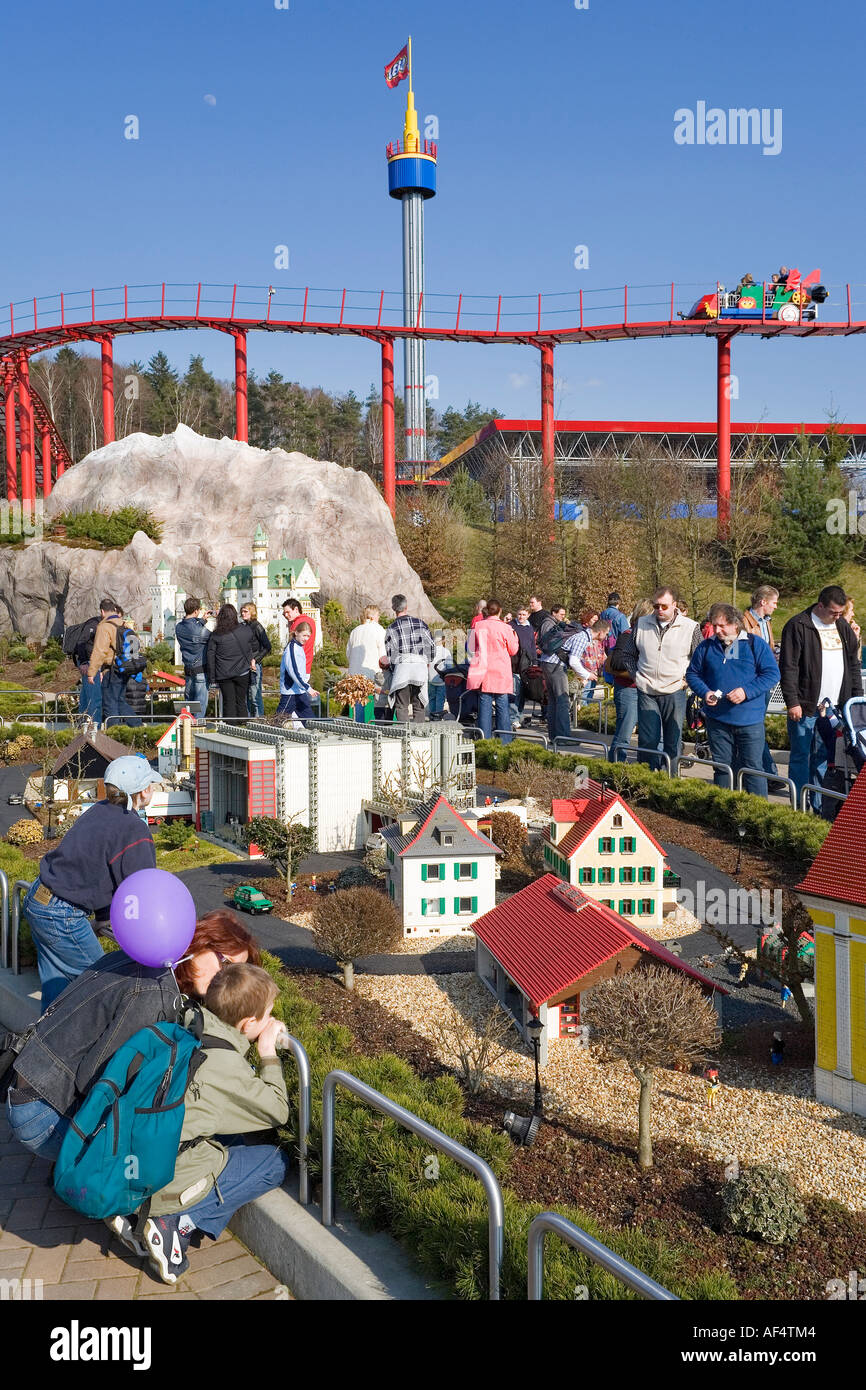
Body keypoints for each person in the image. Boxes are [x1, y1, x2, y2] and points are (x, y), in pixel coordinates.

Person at [5, 910, 260, 1178]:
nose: (228, 979)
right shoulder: (154, 993)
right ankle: (91, 1185)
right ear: (201, 943)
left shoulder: (142, 958)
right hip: (43, 1115)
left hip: (32, 1087)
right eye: (226, 964)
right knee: (159, 1143)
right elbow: (96, 1083)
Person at [142, 963, 289, 1284]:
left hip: (142, 1158)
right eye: (269, 1015)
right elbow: (278, 1111)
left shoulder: (186, 1022)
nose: (273, 1021)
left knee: (228, 1139)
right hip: (169, 1178)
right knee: (274, 1162)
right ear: (249, 1023)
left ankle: (139, 1213)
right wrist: (267, 1054)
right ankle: (175, 1222)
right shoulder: (225, 1065)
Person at [21, 756, 162, 1007]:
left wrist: (102, 917)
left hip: (39, 899)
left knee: (59, 990)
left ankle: (43, 1041)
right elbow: (140, 888)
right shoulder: (134, 829)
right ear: (143, 791)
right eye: (151, 785)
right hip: (62, 915)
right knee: (105, 984)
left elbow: (94, 868)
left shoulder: (98, 810)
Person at [779, 585, 863, 809]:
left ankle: (818, 806)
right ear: (820, 605)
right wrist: (792, 701)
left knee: (825, 758)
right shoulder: (798, 626)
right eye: (833, 613)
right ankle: (799, 806)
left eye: (840, 613)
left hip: (836, 707)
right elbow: (788, 668)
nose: (837, 617)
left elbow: (853, 666)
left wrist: (856, 700)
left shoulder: (842, 626)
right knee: (801, 757)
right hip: (806, 706)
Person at [686, 602, 780, 796]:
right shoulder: (706, 647)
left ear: (735, 624)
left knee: (753, 769)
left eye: (722, 626)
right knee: (722, 768)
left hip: (749, 722)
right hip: (717, 720)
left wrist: (746, 692)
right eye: (714, 625)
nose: (717, 630)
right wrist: (705, 692)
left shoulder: (755, 644)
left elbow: (771, 674)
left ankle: (757, 815)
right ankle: (724, 812)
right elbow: (693, 674)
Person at [634, 587, 700, 770]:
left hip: (675, 690)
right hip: (647, 689)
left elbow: (700, 658)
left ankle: (670, 779)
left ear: (674, 605)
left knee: (673, 740)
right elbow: (628, 654)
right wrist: (636, 675)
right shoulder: (641, 623)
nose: (660, 610)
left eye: (664, 606)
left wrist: (688, 680)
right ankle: (646, 779)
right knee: (648, 740)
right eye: (656, 606)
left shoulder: (691, 627)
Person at [606, 599, 654, 761]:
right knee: (625, 733)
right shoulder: (628, 635)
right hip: (629, 690)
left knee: (648, 735)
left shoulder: (650, 636)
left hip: (645, 691)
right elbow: (617, 663)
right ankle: (615, 767)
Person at [742, 584, 781, 782]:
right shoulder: (743, 622)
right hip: (751, 684)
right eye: (774, 603)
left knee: (758, 727)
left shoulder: (766, 622)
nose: (776, 607)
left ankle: (766, 772)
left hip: (763, 682)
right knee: (755, 728)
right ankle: (766, 773)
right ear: (763, 602)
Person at [466, 599, 519, 742]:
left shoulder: (478, 625)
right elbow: (513, 650)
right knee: (502, 704)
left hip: (483, 669)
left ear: (487, 610)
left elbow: (470, 647)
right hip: (501, 670)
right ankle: (505, 740)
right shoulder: (506, 628)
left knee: (484, 704)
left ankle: (484, 739)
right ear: (500, 611)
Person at [381, 593, 435, 723]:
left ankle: (405, 737)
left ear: (394, 608)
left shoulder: (391, 628)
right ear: (406, 606)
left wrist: (394, 668)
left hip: (403, 669)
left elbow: (390, 655)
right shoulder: (421, 624)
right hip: (420, 667)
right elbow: (432, 647)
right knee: (419, 706)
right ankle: (421, 739)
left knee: (401, 706)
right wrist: (427, 660)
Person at [87, 602, 140, 729]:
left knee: (109, 701)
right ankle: (138, 727)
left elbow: (100, 651)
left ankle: (113, 733)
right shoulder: (124, 624)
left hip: (112, 669)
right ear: (115, 610)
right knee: (120, 700)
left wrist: (91, 672)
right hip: (126, 667)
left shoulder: (105, 627)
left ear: (102, 612)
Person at [529, 600, 571, 742]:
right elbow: (550, 644)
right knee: (562, 700)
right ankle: (563, 736)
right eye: (561, 614)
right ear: (554, 613)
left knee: (554, 701)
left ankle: (555, 735)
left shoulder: (550, 622)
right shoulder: (549, 623)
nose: (563, 617)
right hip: (554, 664)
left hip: (549, 663)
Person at [206, 603, 256, 720]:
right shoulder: (246, 630)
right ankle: (243, 728)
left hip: (224, 674)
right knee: (241, 701)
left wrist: (212, 678)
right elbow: (252, 647)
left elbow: (210, 656)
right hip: (243, 672)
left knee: (228, 702)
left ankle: (230, 730)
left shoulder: (216, 635)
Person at [73, 599, 114, 727]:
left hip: (94, 663)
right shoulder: (95, 624)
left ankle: (82, 726)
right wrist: (85, 662)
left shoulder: (102, 624)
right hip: (90, 662)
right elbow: (81, 642)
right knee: (95, 698)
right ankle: (94, 729)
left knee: (86, 696)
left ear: (102, 610)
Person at [175, 596, 213, 718]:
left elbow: (192, 631)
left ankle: (187, 729)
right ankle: (195, 732)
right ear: (196, 611)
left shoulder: (178, 627)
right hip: (201, 670)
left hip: (188, 671)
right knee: (200, 707)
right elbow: (213, 638)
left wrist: (202, 620)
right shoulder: (201, 631)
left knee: (189, 707)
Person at [277, 620, 314, 721]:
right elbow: (293, 671)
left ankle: (317, 734)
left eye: (308, 636)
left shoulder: (299, 647)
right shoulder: (292, 648)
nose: (306, 639)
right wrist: (307, 687)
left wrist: (304, 687)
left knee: (311, 721)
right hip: (290, 691)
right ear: (296, 633)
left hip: (299, 691)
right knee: (278, 721)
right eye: (304, 635)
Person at [240, 602, 272, 718]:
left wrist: (256, 659)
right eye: (242, 611)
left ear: (251, 612)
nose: (243, 614)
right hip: (244, 665)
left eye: (245, 611)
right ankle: (249, 720)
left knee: (255, 696)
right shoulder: (243, 626)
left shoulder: (257, 626)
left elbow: (267, 646)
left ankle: (260, 720)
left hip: (254, 666)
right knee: (247, 697)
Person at [509, 606, 536, 729]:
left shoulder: (529, 628)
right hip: (514, 664)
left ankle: (519, 715)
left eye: (524, 615)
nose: (521, 617)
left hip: (526, 664)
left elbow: (532, 646)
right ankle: (513, 718)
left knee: (522, 692)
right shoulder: (511, 626)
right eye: (519, 614)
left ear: (528, 615)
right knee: (515, 692)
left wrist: (534, 662)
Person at [345, 605, 387, 681]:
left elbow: (348, 653)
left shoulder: (355, 630)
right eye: (378, 615)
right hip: (372, 675)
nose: (379, 618)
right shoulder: (380, 630)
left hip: (353, 675)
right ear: (372, 616)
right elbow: (383, 657)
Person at [283, 596, 316, 672]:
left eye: (288, 612)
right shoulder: (310, 620)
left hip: (298, 666)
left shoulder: (298, 623)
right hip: (306, 664)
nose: (286, 615)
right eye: (284, 613)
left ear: (296, 609)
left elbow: (293, 646)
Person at [427, 630, 451, 720]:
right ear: (443, 640)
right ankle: (438, 717)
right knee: (440, 700)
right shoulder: (446, 651)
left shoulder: (429, 651)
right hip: (441, 680)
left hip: (430, 679)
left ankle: (432, 716)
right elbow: (449, 666)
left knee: (432, 698)